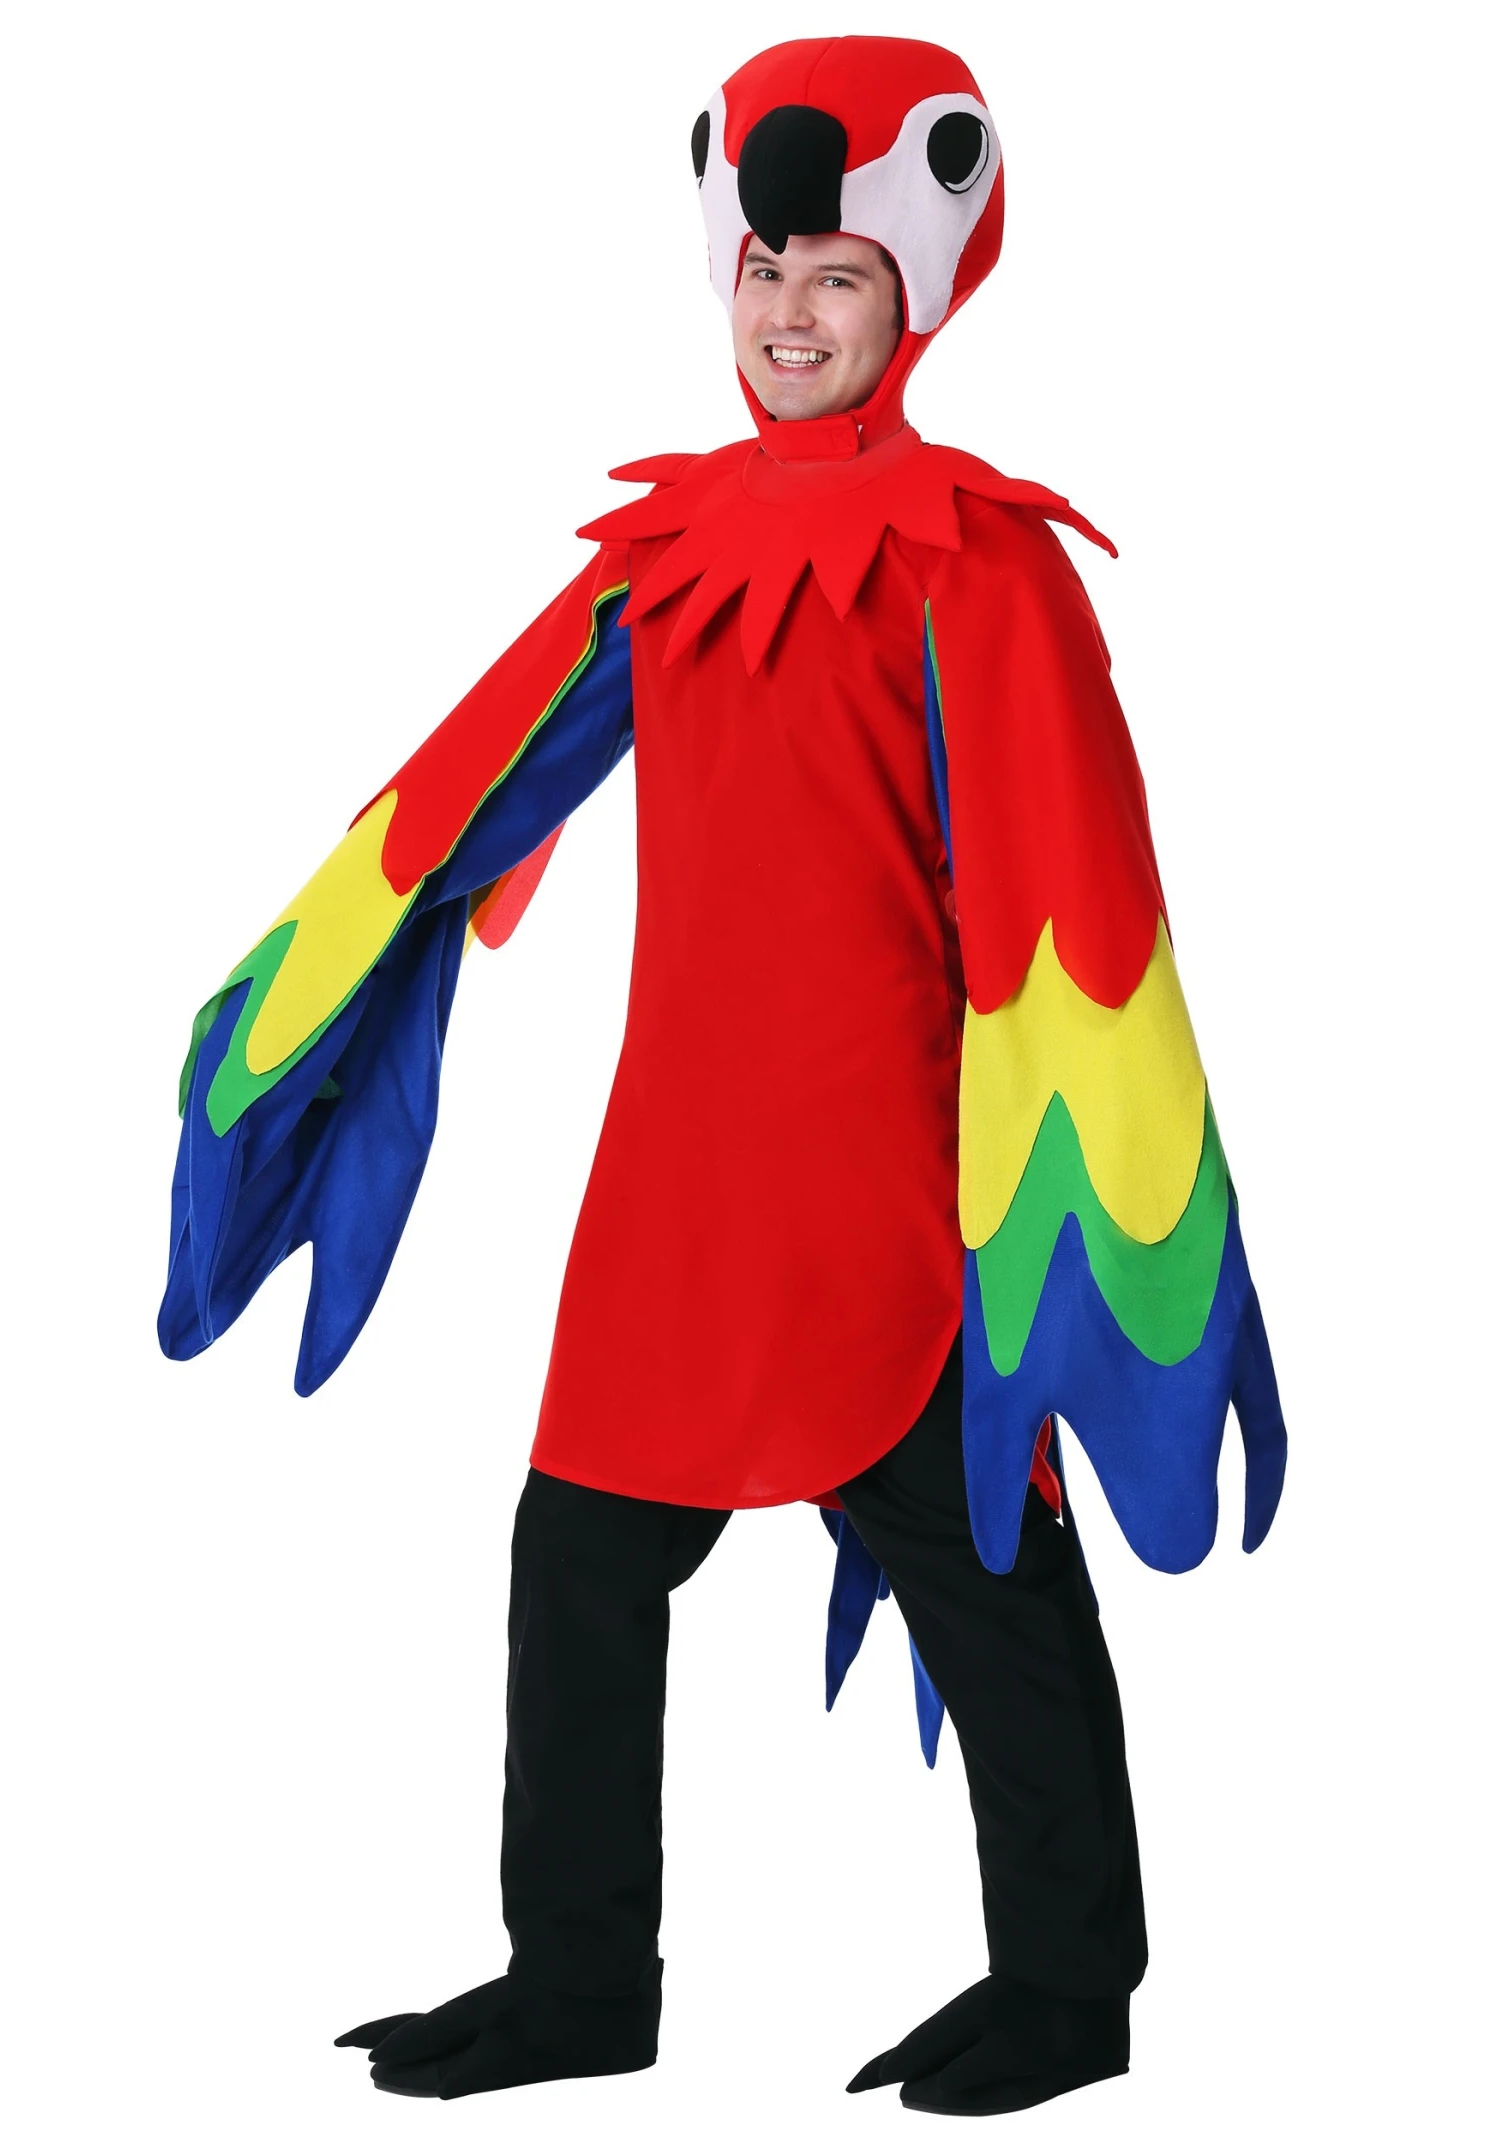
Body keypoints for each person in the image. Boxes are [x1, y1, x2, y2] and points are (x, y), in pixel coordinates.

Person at [159, 35, 1286, 2119]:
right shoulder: (666, 551)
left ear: (918, 292)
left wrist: (1064, 1187)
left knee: (988, 1569)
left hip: (890, 1189)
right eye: (765, 269)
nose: (790, 310)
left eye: (840, 275)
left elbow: (1074, 891)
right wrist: (314, 975)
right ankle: (581, 1981)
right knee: (580, 1560)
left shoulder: (978, 561)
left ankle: (1073, 1991)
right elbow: (477, 774)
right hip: (678, 1186)